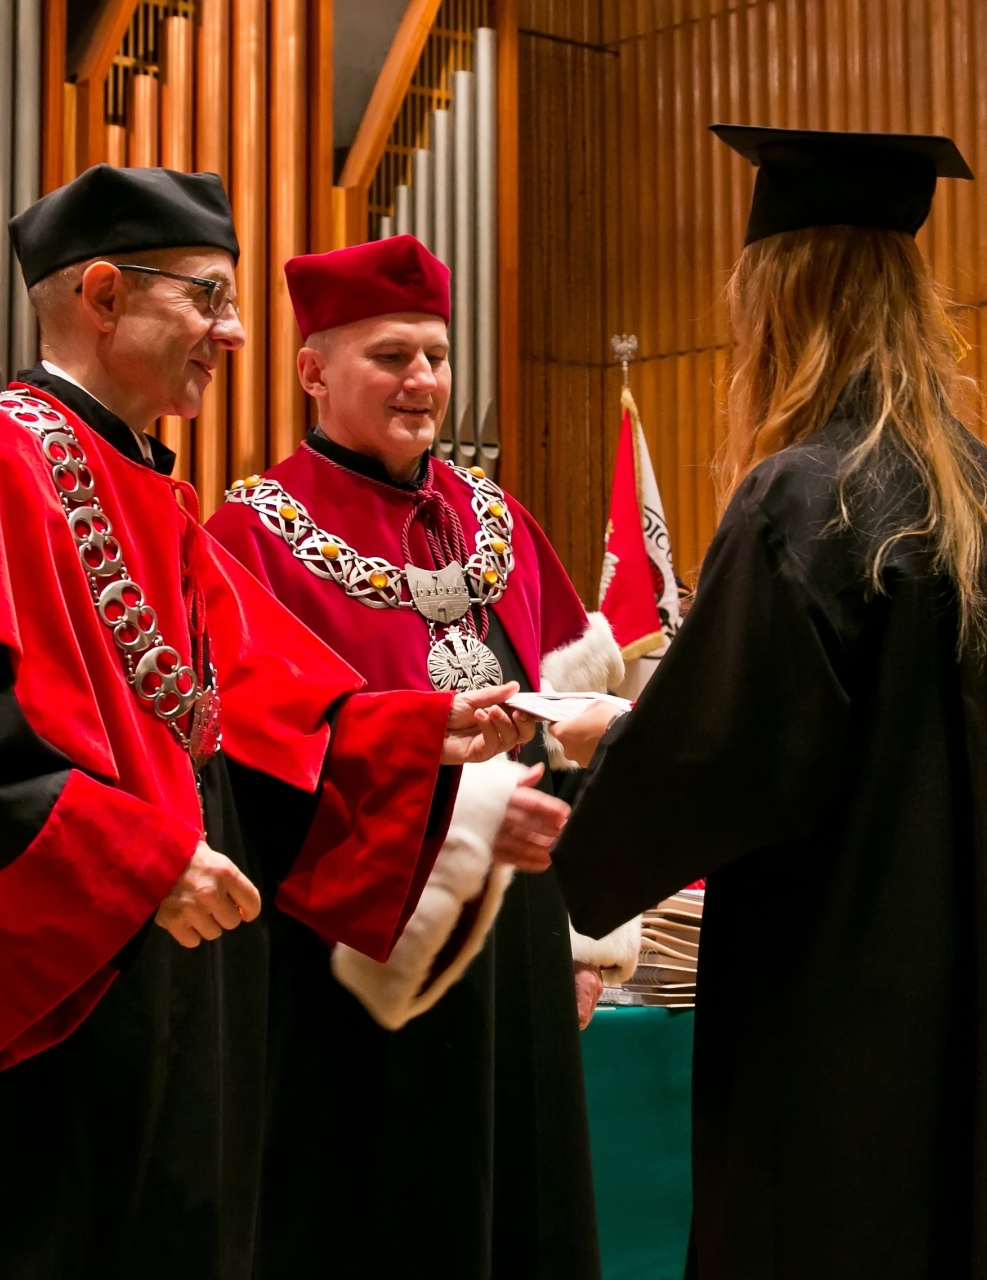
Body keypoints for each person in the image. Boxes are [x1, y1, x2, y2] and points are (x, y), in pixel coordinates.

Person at [0, 165, 558, 1278]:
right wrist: (138, 864)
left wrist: (412, 734)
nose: (233, 332)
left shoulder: (148, 485)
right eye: (207, 296)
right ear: (103, 295)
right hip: (55, 1008)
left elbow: (261, 697)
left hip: (173, 978)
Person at [547, 127, 987, 1280]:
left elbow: (722, 758)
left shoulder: (803, 496)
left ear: (783, 301)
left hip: (833, 999)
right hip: (978, 993)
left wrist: (578, 819)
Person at [205, 235, 636, 1280]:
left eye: (436, 356)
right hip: (357, 939)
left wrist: (586, 942)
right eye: (391, 356)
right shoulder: (249, 538)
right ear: (313, 370)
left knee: (523, 1194)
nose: (424, 381)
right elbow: (258, 761)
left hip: (517, 925)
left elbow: (576, 731)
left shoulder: (500, 521)